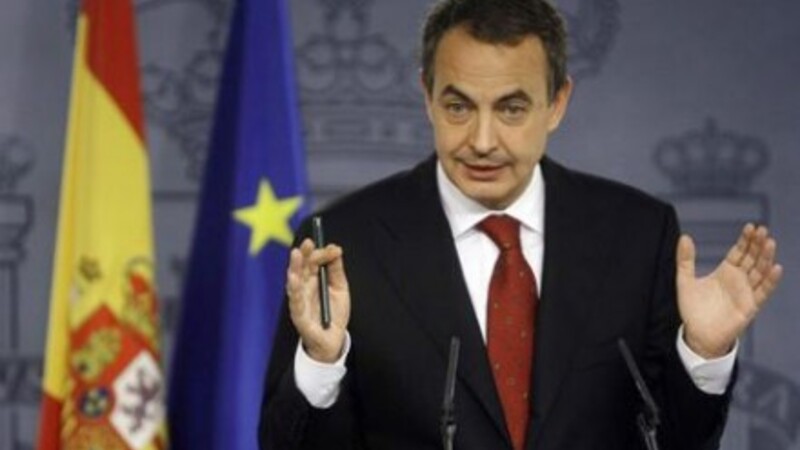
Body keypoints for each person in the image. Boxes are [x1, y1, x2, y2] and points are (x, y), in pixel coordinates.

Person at [259, 0, 783, 449]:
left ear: (557, 103)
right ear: (427, 96)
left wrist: (703, 356)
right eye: (458, 107)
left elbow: (677, 441)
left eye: (511, 109)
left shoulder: (637, 234)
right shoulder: (344, 242)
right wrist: (322, 361)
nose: (482, 141)